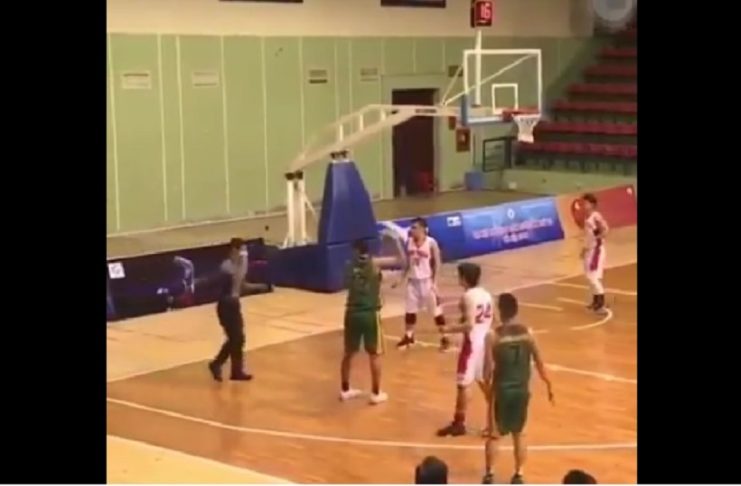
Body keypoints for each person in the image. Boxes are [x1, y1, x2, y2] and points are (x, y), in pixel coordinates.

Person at [482, 293, 554, 485]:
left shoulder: (493, 336)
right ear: (516, 310)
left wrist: (487, 389)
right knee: (519, 433)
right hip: (521, 389)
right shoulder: (528, 333)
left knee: (494, 436)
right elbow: (539, 362)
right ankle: (519, 474)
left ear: (500, 311)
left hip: (501, 390)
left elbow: (487, 371)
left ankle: (490, 474)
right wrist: (548, 384)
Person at [340, 238, 404, 405]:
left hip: (351, 313)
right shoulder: (375, 263)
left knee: (348, 353)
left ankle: (345, 390)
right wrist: (396, 240)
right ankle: (375, 393)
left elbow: (347, 282)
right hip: (369, 313)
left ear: (354, 250)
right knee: (374, 355)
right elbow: (400, 260)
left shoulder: (348, 266)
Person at [436, 262, 494, 437]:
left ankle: (459, 423)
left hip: (472, 344)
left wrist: (448, 329)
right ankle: (496, 420)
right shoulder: (487, 295)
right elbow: (492, 319)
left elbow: (468, 324)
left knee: (463, 384)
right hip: (484, 342)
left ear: (464, 278)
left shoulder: (467, 297)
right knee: (484, 382)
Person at [207, 238, 268, 382]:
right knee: (236, 338)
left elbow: (241, 286)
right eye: (242, 251)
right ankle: (218, 364)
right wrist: (244, 261)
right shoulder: (227, 265)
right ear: (234, 250)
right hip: (226, 305)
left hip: (234, 304)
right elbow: (237, 276)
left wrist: (259, 287)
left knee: (238, 339)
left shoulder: (237, 266)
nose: (244, 254)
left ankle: (234, 370)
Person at [395, 217, 450, 351]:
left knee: (436, 312)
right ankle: (409, 336)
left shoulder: (431, 243)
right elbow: (407, 264)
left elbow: (437, 263)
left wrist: (435, 282)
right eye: (411, 228)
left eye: (414, 228)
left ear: (422, 229)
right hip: (413, 282)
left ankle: (445, 337)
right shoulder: (409, 242)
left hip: (427, 282)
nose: (411, 230)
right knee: (410, 311)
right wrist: (400, 279)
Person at [580, 193, 609, 315]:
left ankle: (601, 303)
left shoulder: (596, 216)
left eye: (586, 203)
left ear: (592, 204)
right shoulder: (587, 217)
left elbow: (605, 229)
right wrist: (584, 249)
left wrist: (598, 238)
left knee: (593, 277)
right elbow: (588, 236)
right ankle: (595, 300)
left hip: (596, 250)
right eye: (583, 203)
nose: (584, 205)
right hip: (589, 250)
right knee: (589, 276)